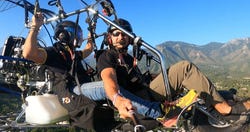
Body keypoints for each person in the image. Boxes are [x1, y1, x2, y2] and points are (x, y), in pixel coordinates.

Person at [94, 18, 250, 127]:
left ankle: (219, 98)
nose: (121, 37)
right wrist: (117, 99)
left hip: (146, 91)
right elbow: (108, 79)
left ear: (129, 38)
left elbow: (137, 79)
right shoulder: (106, 56)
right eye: (116, 33)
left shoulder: (128, 58)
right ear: (109, 38)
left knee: (177, 72)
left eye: (124, 34)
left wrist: (163, 76)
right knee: (184, 68)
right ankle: (226, 109)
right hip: (141, 100)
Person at [22, 12, 114, 131]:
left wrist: (92, 29)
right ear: (64, 35)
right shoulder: (52, 52)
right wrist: (35, 27)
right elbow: (28, 53)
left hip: (80, 88)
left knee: (114, 85)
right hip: (70, 92)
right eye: (76, 33)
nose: (78, 37)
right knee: (111, 87)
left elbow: (88, 49)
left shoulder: (72, 54)